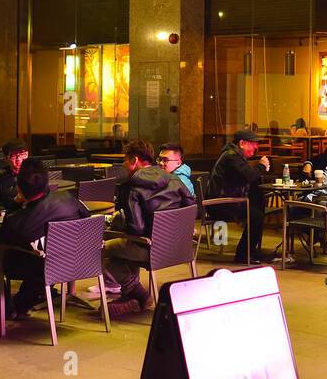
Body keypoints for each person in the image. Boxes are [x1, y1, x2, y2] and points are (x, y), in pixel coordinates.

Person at [0, 158, 89, 322]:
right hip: (78, 260)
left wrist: (15, 206)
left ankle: (1, 310)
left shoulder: (17, 221)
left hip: (41, 265)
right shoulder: (68, 198)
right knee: (44, 256)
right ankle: (20, 305)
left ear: (20, 189)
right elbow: (86, 217)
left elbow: (5, 239)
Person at [103, 140, 197, 313]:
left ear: (135, 161)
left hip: (152, 249)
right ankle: (130, 296)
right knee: (124, 248)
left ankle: (139, 294)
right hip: (180, 247)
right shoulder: (174, 178)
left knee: (100, 249)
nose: (124, 164)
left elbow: (136, 229)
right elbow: (191, 206)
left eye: (125, 160)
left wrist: (118, 222)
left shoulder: (132, 188)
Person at [208, 129, 270, 264]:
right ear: (242, 143)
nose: (256, 147)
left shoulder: (235, 155)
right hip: (219, 204)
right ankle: (243, 255)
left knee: (258, 205)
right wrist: (262, 166)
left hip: (226, 200)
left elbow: (246, 176)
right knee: (255, 215)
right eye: (253, 143)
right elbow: (249, 175)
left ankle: (251, 251)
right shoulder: (232, 156)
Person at [0, 140, 28, 209]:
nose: (18, 159)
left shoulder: (35, 174)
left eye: (22, 154)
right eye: (14, 155)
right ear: (6, 158)